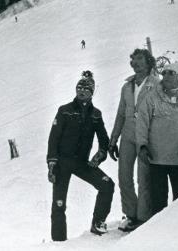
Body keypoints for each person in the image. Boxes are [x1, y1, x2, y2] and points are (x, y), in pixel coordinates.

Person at [47, 71, 114, 241]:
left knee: (107, 185)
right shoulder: (64, 111)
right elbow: (53, 138)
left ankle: (98, 222)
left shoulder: (95, 115)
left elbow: (104, 140)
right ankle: (59, 242)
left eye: (86, 88)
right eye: (79, 87)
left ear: (92, 92)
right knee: (59, 204)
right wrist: (52, 163)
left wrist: (99, 155)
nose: (82, 91)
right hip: (62, 162)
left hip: (82, 163)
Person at [137, 61, 178, 216]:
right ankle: (158, 231)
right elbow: (142, 122)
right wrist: (143, 145)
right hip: (156, 158)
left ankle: (177, 228)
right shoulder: (152, 97)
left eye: (170, 73)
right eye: (164, 73)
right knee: (158, 199)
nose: (166, 76)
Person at [108, 48, 160, 232]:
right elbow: (121, 113)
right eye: (134, 60)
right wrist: (113, 139)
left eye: (140, 59)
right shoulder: (127, 86)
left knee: (143, 177)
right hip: (128, 136)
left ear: (148, 62)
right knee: (124, 175)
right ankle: (131, 213)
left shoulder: (156, 84)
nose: (136, 63)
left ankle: (144, 217)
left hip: (146, 137)